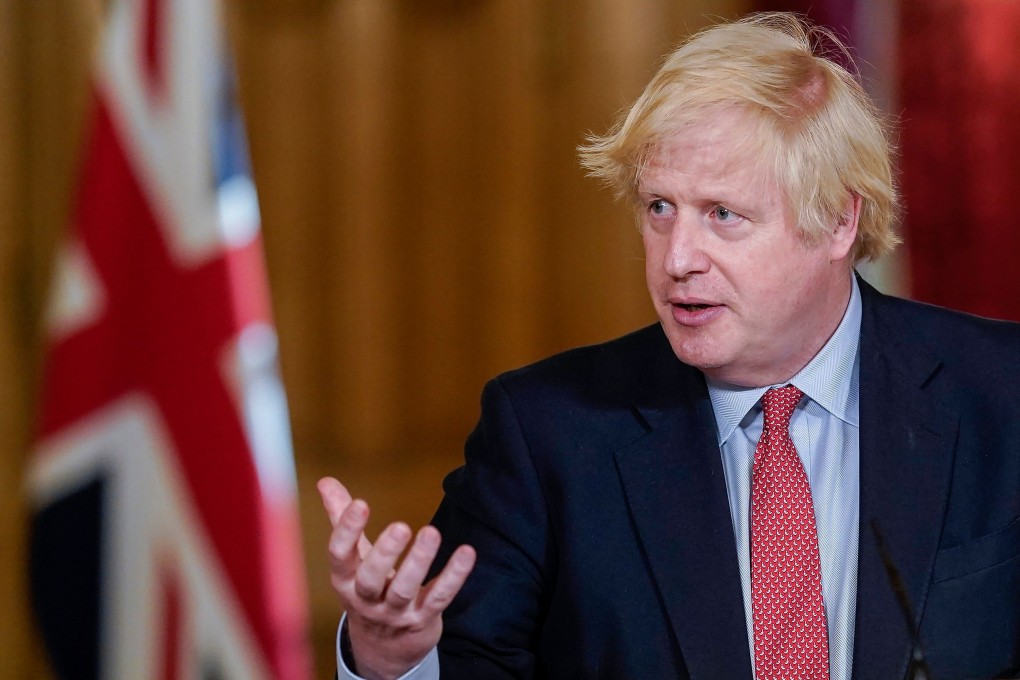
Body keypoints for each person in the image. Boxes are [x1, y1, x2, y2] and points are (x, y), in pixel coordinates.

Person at [319, 12, 1020, 680]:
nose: (677, 257)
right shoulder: (547, 436)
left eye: (723, 214)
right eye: (659, 208)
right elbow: (471, 662)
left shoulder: (1002, 396)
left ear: (839, 221)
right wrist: (391, 658)